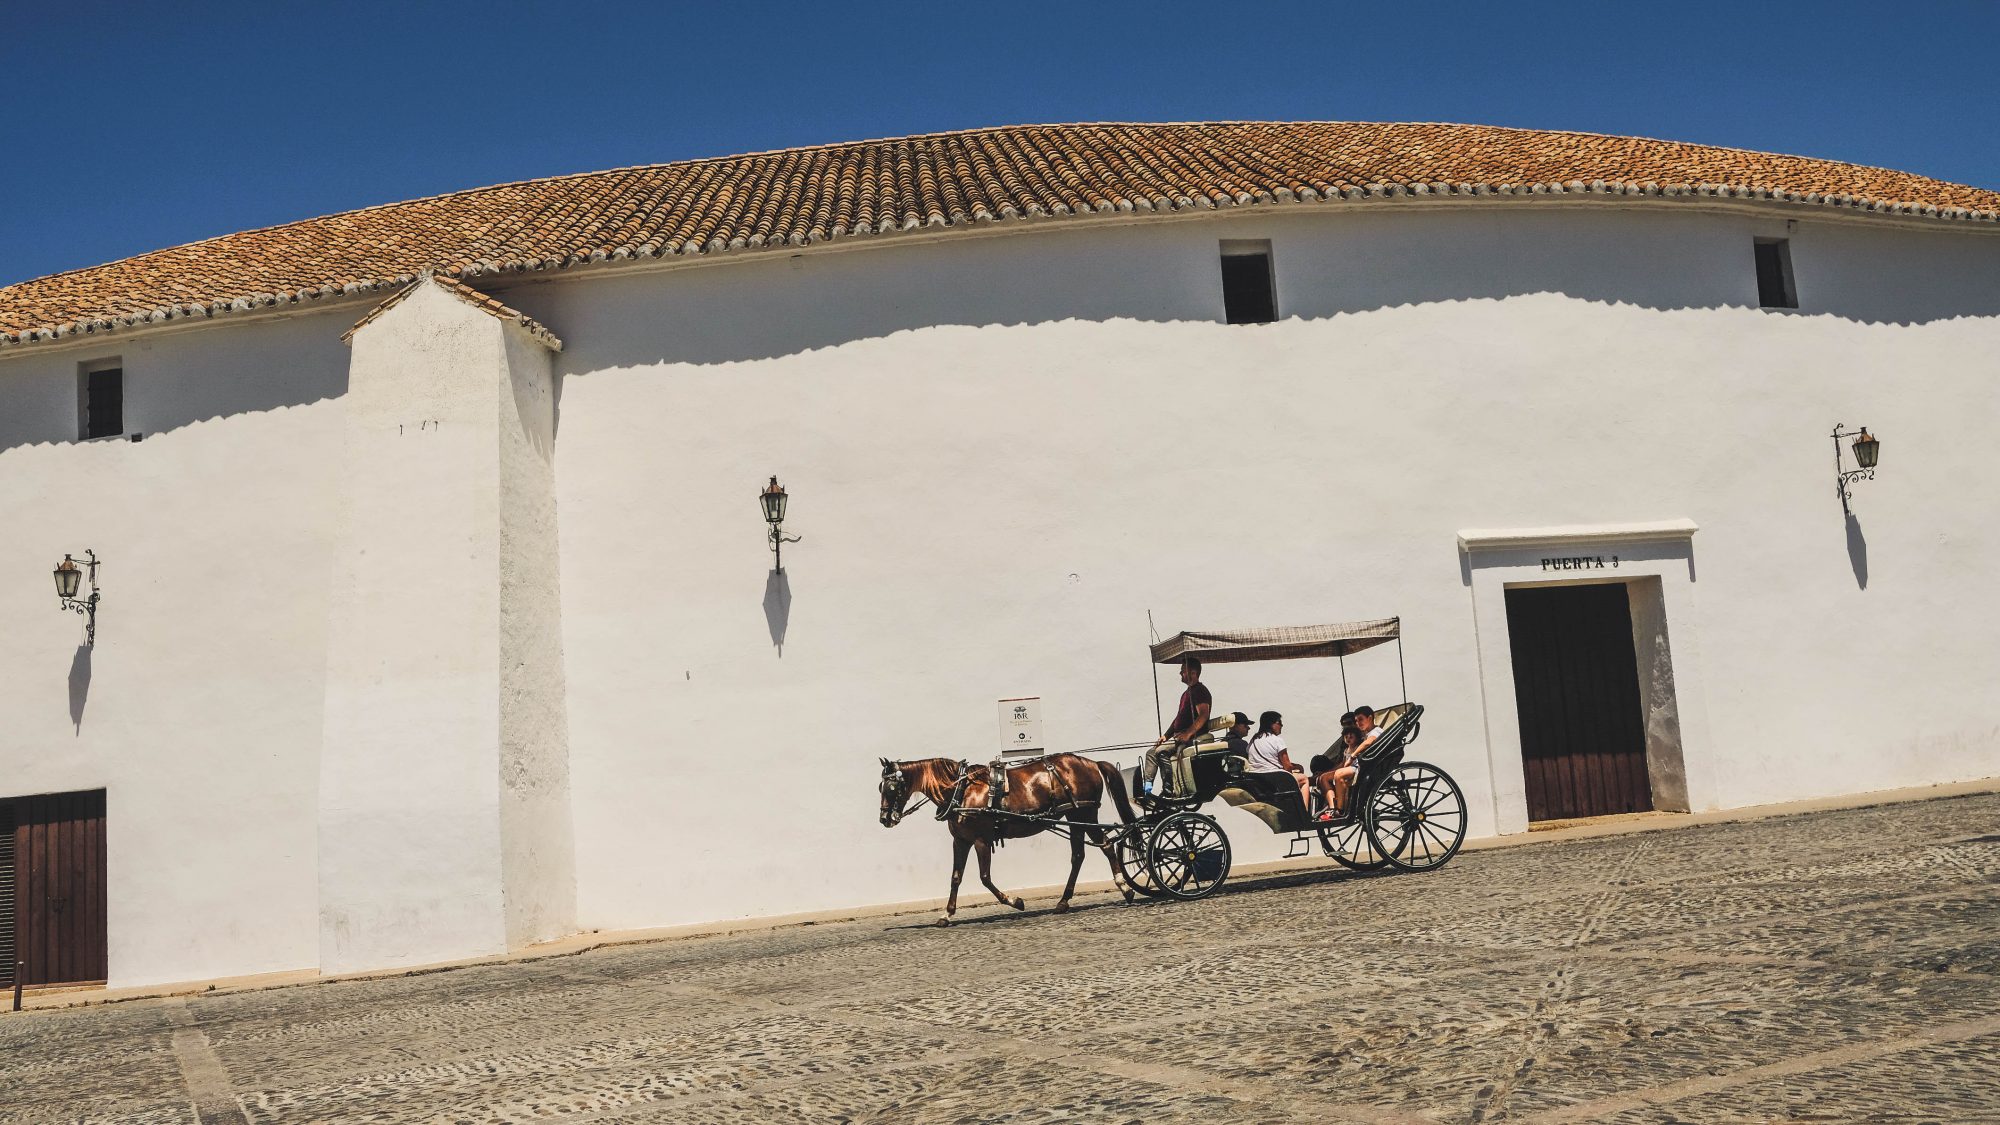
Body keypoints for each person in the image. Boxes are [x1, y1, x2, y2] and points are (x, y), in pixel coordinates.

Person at [1142, 657, 1211, 802]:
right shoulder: (1186, 693)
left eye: (1183, 671)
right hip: (1179, 735)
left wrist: (1188, 733)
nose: (1180, 674)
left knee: (1161, 751)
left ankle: (1168, 791)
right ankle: (1146, 788)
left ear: (1193, 673)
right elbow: (1178, 718)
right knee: (1151, 752)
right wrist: (1165, 736)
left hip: (1192, 737)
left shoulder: (1200, 691)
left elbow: (1203, 715)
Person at [1245, 711, 1312, 812]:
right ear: (1272, 724)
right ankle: (1304, 813)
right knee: (1304, 779)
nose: (1281, 725)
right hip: (1276, 780)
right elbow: (1287, 767)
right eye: (1279, 722)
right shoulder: (1277, 740)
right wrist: (1296, 768)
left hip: (1259, 781)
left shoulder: (1253, 741)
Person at [1315, 726, 1364, 821]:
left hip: (1354, 770)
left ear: (1357, 737)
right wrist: (1327, 772)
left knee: (1339, 774)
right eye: (1346, 737)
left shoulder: (1358, 748)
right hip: (1345, 770)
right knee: (1324, 777)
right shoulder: (1346, 750)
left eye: (1351, 737)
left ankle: (1340, 809)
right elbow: (1342, 764)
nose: (1348, 739)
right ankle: (1332, 806)